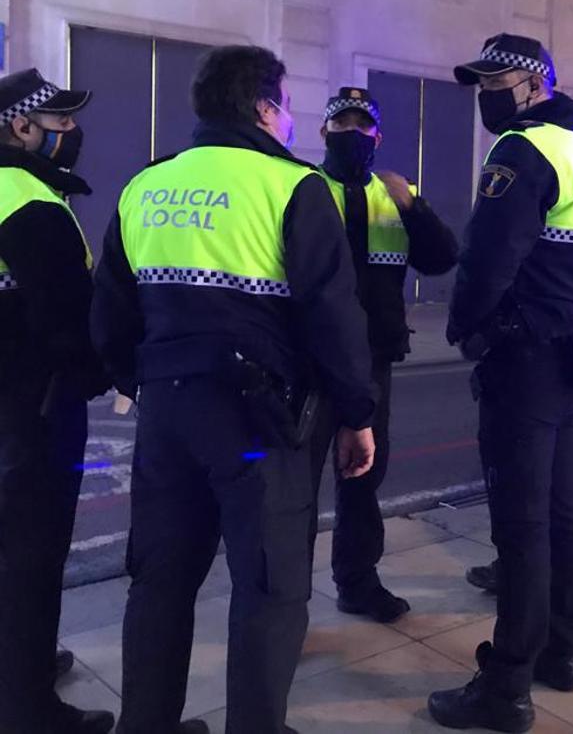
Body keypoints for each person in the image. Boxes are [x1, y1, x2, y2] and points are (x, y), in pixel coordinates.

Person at [90, 46, 377, 734]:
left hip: (166, 417)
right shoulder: (292, 187)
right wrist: (357, 415)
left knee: (160, 580)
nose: (289, 119)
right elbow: (334, 318)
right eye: (285, 105)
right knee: (270, 590)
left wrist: (144, 381)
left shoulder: (146, 186)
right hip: (258, 424)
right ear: (263, 107)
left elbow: (109, 315)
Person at [429, 34, 573, 732]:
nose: (485, 93)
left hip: (527, 367)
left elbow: (486, 260)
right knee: (568, 515)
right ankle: (562, 655)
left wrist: (466, 328)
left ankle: (506, 689)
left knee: (522, 526)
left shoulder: (521, 151)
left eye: (495, 80)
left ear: (534, 83)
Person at [311, 86, 458, 623]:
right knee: (296, 488)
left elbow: (443, 258)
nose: (352, 133)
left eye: (363, 125)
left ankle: (357, 581)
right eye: (341, 123)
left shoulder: (394, 194)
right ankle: (284, 601)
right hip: (309, 362)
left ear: (377, 136)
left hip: (371, 361)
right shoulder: (302, 189)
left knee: (363, 477)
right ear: (323, 131)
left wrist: (412, 206)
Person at [0, 69, 114, 733]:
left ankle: (22, 662)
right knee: (33, 558)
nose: (72, 134)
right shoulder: (28, 200)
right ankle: (29, 706)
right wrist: (104, 369)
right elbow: (69, 318)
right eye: (60, 123)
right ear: (21, 127)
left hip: (11, 396)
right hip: (35, 407)